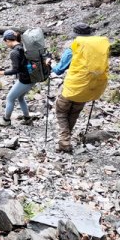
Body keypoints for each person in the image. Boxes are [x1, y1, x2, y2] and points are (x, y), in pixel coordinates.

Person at [51, 22, 92, 152]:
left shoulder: (72, 50)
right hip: (87, 89)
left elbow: (58, 70)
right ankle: (66, 140)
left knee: (61, 112)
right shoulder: (95, 52)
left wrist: (50, 63)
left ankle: (64, 141)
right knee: (73, 113)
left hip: (72, 87)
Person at [0, 29, 35, 127]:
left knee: (10, 98)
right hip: (33, 77)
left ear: (7, 40)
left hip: (25, 80)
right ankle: (27, 119)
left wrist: (0, 72)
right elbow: (21, 65)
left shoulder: (14, 52)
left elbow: (15, 70)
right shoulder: (22, 46)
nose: (6, 45)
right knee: (20, 97)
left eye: (5, 42)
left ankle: (6, 120)